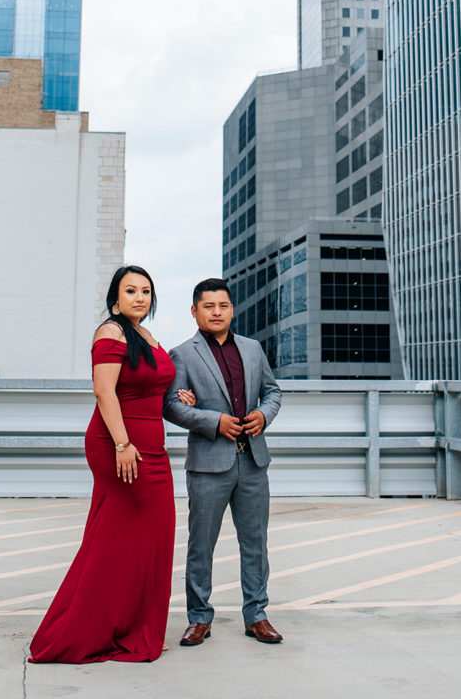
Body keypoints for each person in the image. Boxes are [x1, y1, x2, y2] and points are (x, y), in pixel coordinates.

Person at [29, 265, 192, 663]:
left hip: (152, 448)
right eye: (131, 291)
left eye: (146, 291)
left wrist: (178, 395)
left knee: (151, 542)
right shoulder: (111, 331)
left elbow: (150, 387)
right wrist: (122, 443)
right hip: (118, 444)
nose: (140, 297)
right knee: (116, 543)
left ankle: (138, 626)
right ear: (115, 298)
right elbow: (105, 391)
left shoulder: (146, 336)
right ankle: (89, 629)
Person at [163, 277, 283, 647]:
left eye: (223, 306)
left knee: (255, 543)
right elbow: (170, 405)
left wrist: (264, 414)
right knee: (201, 544)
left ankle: (257, 615)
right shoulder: (182, 354)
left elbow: (272, 391)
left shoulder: (251, 348)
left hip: (252, 462)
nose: (217, 312)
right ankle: (199, 618)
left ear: (232, 309)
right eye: (209, 306)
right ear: (195, 311)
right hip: (208, 464)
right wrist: (213, 421)